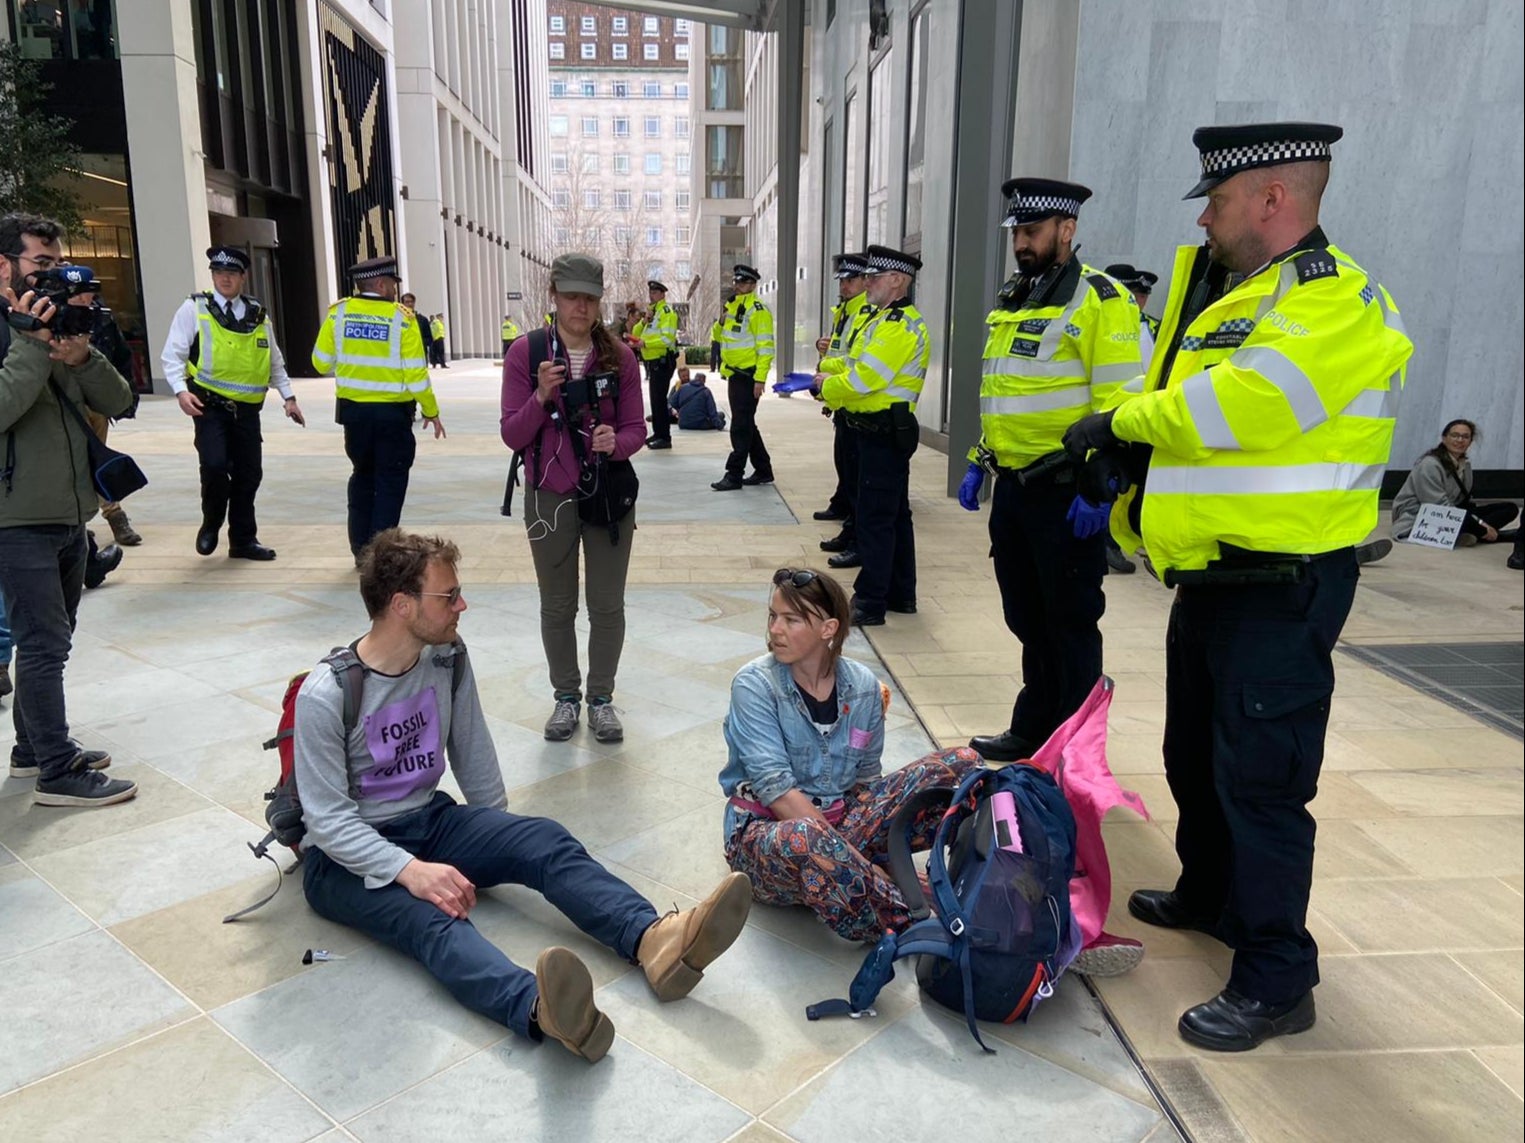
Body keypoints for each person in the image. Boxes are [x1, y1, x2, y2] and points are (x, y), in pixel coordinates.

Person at [1063, 122, 1413, 1051]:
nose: (1205, 220)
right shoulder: (1235, 290)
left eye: (1216, 201)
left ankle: (1274, 977)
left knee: (1261, 783)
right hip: (1214, 578)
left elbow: (1248, 405)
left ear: (1271, 198)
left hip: (1281, 584)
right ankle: (1210, 895)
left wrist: (1122, 422)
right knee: (1194, 758)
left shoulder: (1337, 301)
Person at [297, 529, 751, 1064]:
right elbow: (327, 823)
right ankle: (545, 1011)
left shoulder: (446, 657)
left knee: (542, 840)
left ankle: (654, 941)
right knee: (432, 922)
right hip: (344, 860)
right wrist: (412, 872)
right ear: (401, 605)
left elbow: (471, 747)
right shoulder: (326, 695)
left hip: (429, 821)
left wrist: (499, 842)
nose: (462, 605)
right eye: (448, 596)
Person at [957, 180, 1144, 761]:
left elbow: (1121, 404)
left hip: (1067, 494)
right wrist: (977, 459)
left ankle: (1076, 752)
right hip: (1015, 489)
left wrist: (1101, 486)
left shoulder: (1100, 299)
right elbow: (1004, 391)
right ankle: (1036, 727)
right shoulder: (1017, 295)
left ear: (1067, 230)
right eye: (1016, 232)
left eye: (1032, 232)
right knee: (1027, 618)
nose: (1021, 242)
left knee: (1070, 625)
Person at [720, 567, 979, 941]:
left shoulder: (862, 687)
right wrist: (867, 866)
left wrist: (864, 841)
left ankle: (960, 885)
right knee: (807, 840)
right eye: (773, 616)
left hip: (839, 825)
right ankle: (917, 921)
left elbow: (866, 783)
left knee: (962, 766)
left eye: (791, 620)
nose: (775, 629)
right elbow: (777, 794)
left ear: (828, 629)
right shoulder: (754, 685)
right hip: (770, 835)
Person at [0, 212, 135, 806]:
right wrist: (31, 347)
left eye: (57, 264)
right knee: (44, 643)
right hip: (13, 519)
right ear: (4, 266)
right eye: (40, 264)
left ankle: (33, 748)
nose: (53, 276)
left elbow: (120, 399)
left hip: (67, 512)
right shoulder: (16, 335)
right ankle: (58, 773)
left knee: (51, 640)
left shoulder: (53, 325)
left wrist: (80, 356)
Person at [501, 253, 646, 745]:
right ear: (554, 295)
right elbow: (511, 434)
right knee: (557, 605)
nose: (580, 307)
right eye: (571, 296)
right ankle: (566, 696)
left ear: (599, 300)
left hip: (607, 494)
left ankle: (600, 700)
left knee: (606, 604)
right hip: (549, 494)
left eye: (589, 297)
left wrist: (616, 442)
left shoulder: (620, 357)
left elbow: (636, 429)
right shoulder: (527, 353)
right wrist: (540, 396)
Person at [162, 246, 306, 561]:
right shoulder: (194, 309)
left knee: (249, 473)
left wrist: (288, 397)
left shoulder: (257, 314)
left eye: (231, 273)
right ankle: (211, 522)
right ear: (213, 275)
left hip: (247, 411)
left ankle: (242, 540)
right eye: (219, 273)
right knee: (214, 466)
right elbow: (173, 354)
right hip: (209, 406)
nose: (225, 279)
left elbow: (274, 360)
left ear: (243, 276)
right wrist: (179, 390)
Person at [814, 245, 929, 627]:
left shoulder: (898, 325)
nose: (868, 284)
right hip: (875, 432)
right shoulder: (882, 320)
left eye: (875, 278)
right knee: (894, 516)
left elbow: (866, 379)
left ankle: (870, 601)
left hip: (882, 432)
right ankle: (900, 593)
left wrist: (825, 387)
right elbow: (853, 362)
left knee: (876, 519)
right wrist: (827, 371)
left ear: (897, 281)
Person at [313, 256, 444, 563]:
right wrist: (431, 410)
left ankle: (361, 550)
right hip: (391, 418)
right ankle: (381, 555)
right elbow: (415, 374)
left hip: (354, 416)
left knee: (362, 476)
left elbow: (319, 362)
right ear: (383, 285)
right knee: (390, 481)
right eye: (393, 286)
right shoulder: (403, 319)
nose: (396, 292)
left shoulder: (339, 314)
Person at [62, 265, 141, 547]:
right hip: (66, 407)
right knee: (71, 466)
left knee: (96, 460)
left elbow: (121, 355)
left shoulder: (100, 318)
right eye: (76, 293)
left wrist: (126, 397)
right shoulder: (52, 319)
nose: (82, 298)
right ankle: (94, 521)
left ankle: (111, 515)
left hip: (96, 405)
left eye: (86, 292)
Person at [814, 252, 875, 569]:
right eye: (843, 280)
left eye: (851, 280)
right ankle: (849, 528)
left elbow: (856, 363)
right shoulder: (846, 312)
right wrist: (825, 352)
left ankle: (853, 535)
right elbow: (844, 352)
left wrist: (825, 370)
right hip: (842, 400)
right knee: (847, 471)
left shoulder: (864, 312)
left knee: (856, 478)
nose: (845, 285)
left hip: (855, 401)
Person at [1391, 420, 1520, 546]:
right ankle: (1486, 534)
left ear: (1470, 442)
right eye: (1455, 435)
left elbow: (1463, 503)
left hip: (1453, 511)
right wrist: (1481, 525)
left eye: (1465, 437)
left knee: (1509, 509)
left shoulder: (1465, 464)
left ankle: (1471, 533)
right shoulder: (1429, 465)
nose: (1460, 440)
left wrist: (1475, 520)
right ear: (1444, 438)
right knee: (1470, 522)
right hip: (1423, 514)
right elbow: (1437, 506)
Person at [710, 265, 776, 490]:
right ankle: (763, 470)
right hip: (734, 375)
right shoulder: (732, 306)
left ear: (753, 284)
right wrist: (720, 321)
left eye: (743, 282)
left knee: (740, 426)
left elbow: (766, 348)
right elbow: (719, 337)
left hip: (748, 376)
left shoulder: (758, 310)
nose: (738, 286)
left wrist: (760, 380)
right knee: (747, 423)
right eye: (737, 282)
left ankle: (734, 474)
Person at [631, 280, 679, 450]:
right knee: (654, 400)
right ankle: (658, 433)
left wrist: (645, 344)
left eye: (655, 293)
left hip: (662, 360)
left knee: (659, 399)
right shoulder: (653, 312)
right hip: (653, 362)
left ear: (662, 294)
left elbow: (667, 339)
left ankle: (664, 437)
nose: (651, 295)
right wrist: (644, 321)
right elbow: (636, 333)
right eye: (650, 293)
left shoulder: (667, 312)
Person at [1103, 263, 1161, 372]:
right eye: (1133, 294)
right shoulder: (1091, 320)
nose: (1141, 300)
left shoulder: (1155, 328)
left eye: (1144, 295)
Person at [400, 292, 436, 366]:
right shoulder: (398, 319)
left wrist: (418, 342)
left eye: (411, 302)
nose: (410, 304)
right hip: (403, 356)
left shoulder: (422, 320)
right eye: (407, 302)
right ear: (402, 304)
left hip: (419, 357)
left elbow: (429, 339)